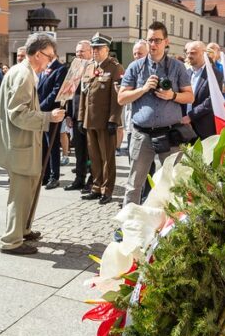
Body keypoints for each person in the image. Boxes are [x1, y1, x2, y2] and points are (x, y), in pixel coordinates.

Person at [0, 32, 66, 255]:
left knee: (29, 190)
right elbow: (17, 114)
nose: (50, 61)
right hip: (20, 144)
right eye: (49, 56)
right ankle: (12, 240)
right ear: (38, 54)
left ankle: (23, 228)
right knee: (20, 194)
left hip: (23, 143)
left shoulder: (23, 71)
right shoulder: (23, 74)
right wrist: (48, 117)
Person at [118, 21, 193, 206]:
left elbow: (190, 96)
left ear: (166, 42)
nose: (153, 44)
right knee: (134, 184)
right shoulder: (135, 67)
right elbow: (121, 98)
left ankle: (168, 221)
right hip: (142, 134)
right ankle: (129, 220)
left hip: (169, 134)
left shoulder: (177, 67)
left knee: (171, 183)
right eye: (150, 40)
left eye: (157, 40)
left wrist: (172, 95)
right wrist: (143, 89)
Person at [79, 34, 123, 204]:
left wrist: (113, 120)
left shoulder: (115, 68)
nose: (95, 51)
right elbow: (84, 94)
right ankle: (96, 187)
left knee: (107, 158)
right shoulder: (90, 66)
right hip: (90, 120)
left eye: (98, 48)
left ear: (107, 49)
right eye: (93, 48)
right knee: (94, 157)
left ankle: (107, 190)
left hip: (105, 121)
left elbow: (117, 98)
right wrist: (81, 117)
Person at [63, 40, 93, 192]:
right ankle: (79, 179)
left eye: (82, 51)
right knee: (79, 151)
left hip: (90, 117)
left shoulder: (95, 67)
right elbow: (68, 93)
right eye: (77, 51)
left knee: (92, 152)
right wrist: (68, 114)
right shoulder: (74, 68)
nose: (79, 54)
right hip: (76, 116)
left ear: (90, 52)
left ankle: (92, 180)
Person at [36, 52, 68, 189]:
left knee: (52, 145)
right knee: (43, 144)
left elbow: (56, 92)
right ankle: (45, 174)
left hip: (52, 112)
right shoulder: (43, 68)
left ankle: (54, 176)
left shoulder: (60, 69)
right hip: (41, 113)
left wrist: (40, 107)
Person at [183, 41, 216, 142]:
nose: (189, 56)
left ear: (203, 53)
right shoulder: (185, 73)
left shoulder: (214, 74)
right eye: (187, 53)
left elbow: (212, 100)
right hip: (184, 127)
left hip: (204, 128)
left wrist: (190, 116)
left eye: (193, 53)